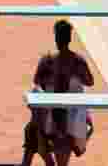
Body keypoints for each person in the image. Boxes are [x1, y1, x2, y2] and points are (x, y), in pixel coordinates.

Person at [35, 20, 93, 166]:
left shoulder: (47, 60)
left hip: (54, 111)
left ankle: (48, 157)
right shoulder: (78, 61)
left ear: (56, 39)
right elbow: (89, 82)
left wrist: (50, 80)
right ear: (69, 39)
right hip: (70, 113)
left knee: (37, 131)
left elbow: (37, 80)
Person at [21, 56, 56, 166]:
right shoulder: (38, 92)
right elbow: (37, 114)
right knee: (49, 163)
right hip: (38, 131)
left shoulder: (47, 90)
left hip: (38, 129)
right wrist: (41, 138)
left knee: (28, 161)